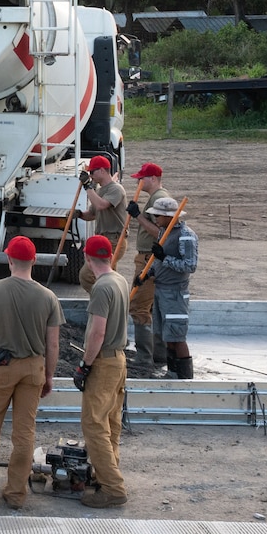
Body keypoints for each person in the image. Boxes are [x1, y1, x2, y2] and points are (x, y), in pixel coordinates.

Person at [0, 236, 60, 509]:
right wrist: (49, 376)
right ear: (33, 260)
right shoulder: (48, 297)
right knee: (24, 433)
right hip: (33, 369)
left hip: (2, 367)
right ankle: (16, 494)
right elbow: (53, 344)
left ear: (8, 260)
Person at [75, 235, 130, 508]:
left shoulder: (101, 287)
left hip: (104, 362)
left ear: (87, 258)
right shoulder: (119, 280)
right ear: (109, 257)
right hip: (119, 360)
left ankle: (112, 488)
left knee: (94, 426)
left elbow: (98, 332)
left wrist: (85, 365)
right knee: (111, 424)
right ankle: (106, 474)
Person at [143, 195, 198, 378]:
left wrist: (164, 258)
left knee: (177, 336)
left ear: (168, 216)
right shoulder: (163, 233)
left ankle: (184, 376)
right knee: (167, 336)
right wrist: (147, 274)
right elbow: (156, 261)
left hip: (175, 293)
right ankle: (172, 372)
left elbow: (190, 266)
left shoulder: (186, 236)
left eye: (157, 216)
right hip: (161, 290)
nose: (155, 219)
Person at [126, 163, 172, 361]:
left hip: (149, 259)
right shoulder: (157, 198)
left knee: (138, 306)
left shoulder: (159, 199)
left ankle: (145, 357)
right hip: (148, 258)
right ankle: (158, 354)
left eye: (142, 178)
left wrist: (138, 217)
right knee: (152, 307)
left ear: (153, 178)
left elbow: (162, 233)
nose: (138, 182)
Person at [76, 156, 130, 291]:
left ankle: (103, 298)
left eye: (92, 172)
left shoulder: (116, 189)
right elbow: (93, 214)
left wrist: (88, 187)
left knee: (88, 275)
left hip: (114, 239)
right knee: (109, 278)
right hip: (104, 238)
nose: (91, 175)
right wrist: (80, 215)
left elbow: (101, 205)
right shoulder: (100, 191)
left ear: (101, 170)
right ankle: (111, 300)